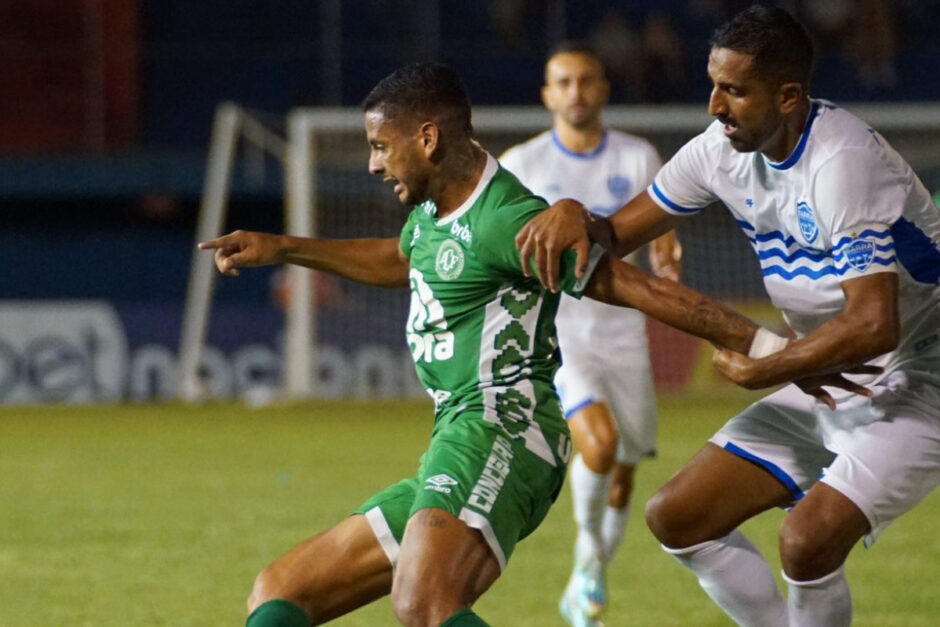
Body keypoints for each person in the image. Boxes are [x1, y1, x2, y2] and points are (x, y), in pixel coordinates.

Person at [199, 62, 778, 627]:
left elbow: (640, 289)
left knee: (423, 602)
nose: (374, 163)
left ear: (427, 139)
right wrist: (282, 247)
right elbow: (402, 259)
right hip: (455, 431)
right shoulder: (433, 207)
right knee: (280, 593)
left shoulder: (508, 220)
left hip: (504, 425)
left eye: (381, 146)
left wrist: (766, 345)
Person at [515, 5, 940, 626]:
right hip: (829, 366)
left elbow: (876, 323)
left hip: (921, 375)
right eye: (714, 85)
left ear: (789, 95)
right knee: (679, 515)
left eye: (735, 90)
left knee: (806, 541)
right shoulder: (719, 151)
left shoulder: (840, 160)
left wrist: (766, 365)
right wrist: (572, 212)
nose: (715, 105)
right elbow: (613, 233)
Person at [499, 41, 681, 627]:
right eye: (564, 82)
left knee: (624, 469)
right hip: (561, 336)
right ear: (548, 95)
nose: (576, 92)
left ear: (602, 89)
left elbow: (662, 236)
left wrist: (669, 258)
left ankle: (591, 571)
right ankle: (586, 564)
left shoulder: (637, 157)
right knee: (597, 446)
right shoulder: (522, 166)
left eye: (586, 81)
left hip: (624, 335)